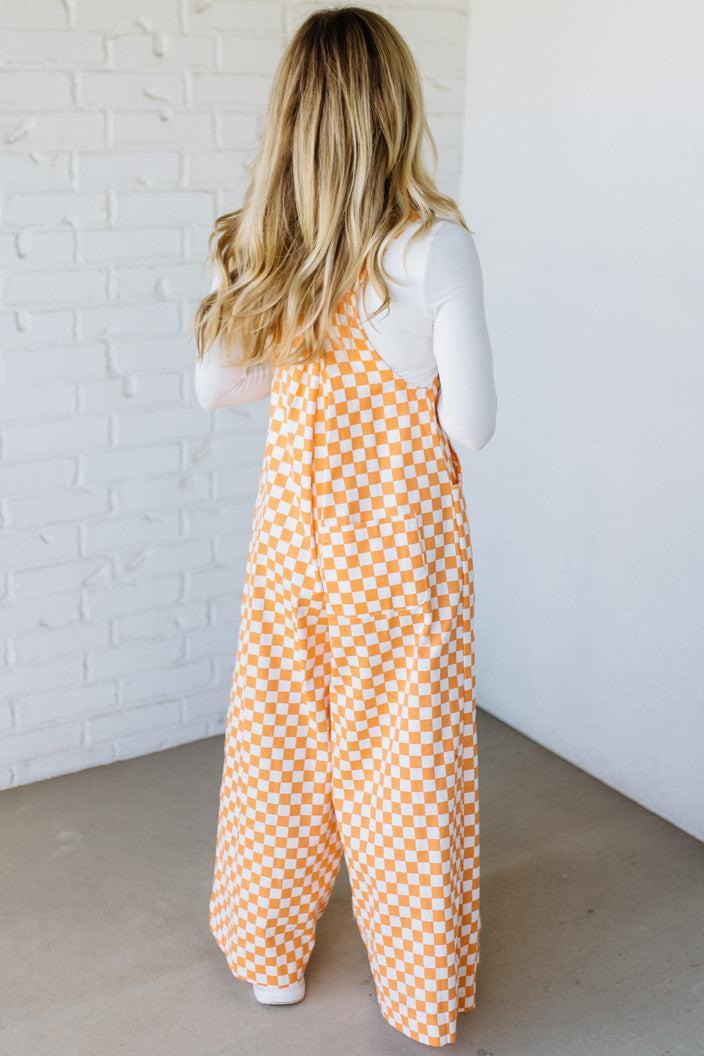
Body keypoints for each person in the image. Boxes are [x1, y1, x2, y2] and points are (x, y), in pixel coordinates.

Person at [194, 7, 496, 1047]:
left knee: (279, 754)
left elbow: (213, 387)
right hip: (401, 569)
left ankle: (267, 958)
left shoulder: (277, 250)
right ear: (396, 109)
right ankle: (417, 995)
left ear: (292, 120)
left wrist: (254, 277)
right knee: (405, 771)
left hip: (290, 557)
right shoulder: (431, 245)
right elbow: (472, 424)